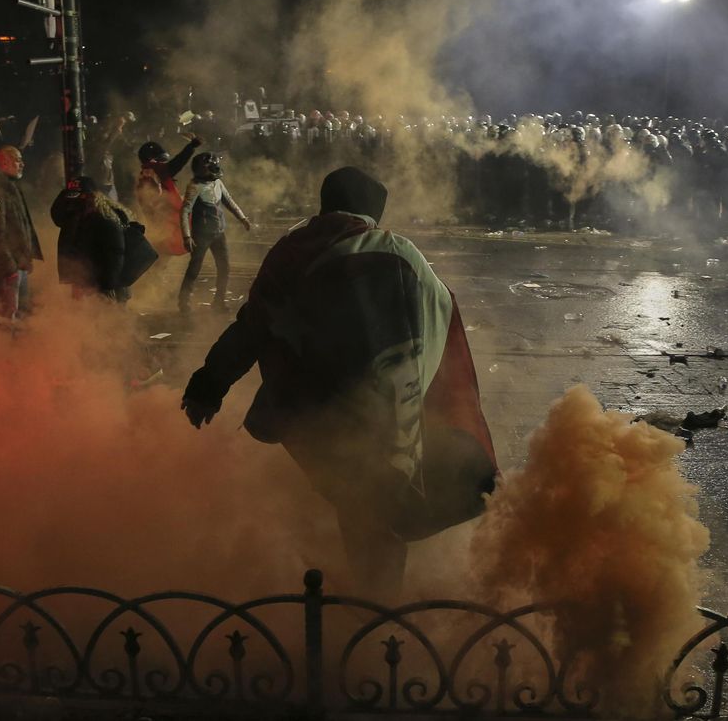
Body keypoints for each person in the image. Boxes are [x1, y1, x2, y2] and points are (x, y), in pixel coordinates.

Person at [180, 165, 497, 599]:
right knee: (379, 507)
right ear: (372, 211)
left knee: (358, 507)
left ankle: (368, 603)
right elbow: (438, 313)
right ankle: (377, 616)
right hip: (389, 409)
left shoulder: (291, 252)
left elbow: (252, 326)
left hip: (317, 412)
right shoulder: (399, 251)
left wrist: (208, 384)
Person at [50, 175, 157, 302]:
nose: (75, 201)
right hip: (91, 282)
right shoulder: (75, 217)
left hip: (109, 287)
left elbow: (116, 255)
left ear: (91, 196)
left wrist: (107, 286)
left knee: (110, 319)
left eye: (80, 196)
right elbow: (57, 215)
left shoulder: (106, 220)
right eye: (71, 196)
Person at [178, 152, 250, 313]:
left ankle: (219, 300)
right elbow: (185, 211)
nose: (215, 169)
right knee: (195, 267)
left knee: (224, 267)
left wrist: (242, 218)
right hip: (201, 235)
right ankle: (184, 301)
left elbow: (229, 200)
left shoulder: (217, 183)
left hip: (218, 232)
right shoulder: (195, 186)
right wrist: (187, 236)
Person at [0, 145, 42, 323]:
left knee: (19, 315)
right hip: (7, 269)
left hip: (17, 265)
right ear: (3, 161)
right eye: (17, 160)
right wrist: (10, 266)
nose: (22, 164)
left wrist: (25, 259)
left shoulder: (10, 186)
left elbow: (21, 227)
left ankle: (18, 348)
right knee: (7, 317)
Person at [135, 136, 202, 256]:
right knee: (168, 245)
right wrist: (191, 147)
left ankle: (156, 271)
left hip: (156, 216)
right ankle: (157, 271)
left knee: (161, 246)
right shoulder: (156, 169)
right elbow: (177, 163)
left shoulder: (143, 174)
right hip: (167, 215)